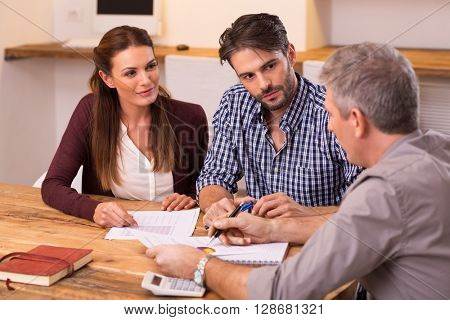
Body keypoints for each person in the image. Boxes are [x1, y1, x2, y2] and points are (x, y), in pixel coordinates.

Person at [147, 42, 450, 299]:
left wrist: (198, 266)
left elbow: (281, 292)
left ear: (356, 120)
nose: (329, 124)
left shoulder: (384, 191)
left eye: (331, 115)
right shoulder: (438, 149)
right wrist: (271, 229)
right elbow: (358, 229)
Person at [197, 13, 361, 227]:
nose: (263, 84)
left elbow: (368, 207)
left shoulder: (333, 110)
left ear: (290, 54)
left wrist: (306, 213)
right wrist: (218, 205)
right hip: (258, 243)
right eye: (248, 76)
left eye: (270, 66)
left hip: (322, 243)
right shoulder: (234, 102)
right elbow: (213, 175)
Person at [42, 26, 208, 227]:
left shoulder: (190, 117)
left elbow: (203, 183)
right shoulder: (89, 112)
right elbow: (53, 185)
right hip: (114, 235)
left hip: (177, 232)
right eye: (131, 73)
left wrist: (192, 197)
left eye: (150, 66)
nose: (146, 80)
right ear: (107, 78)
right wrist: (93, 209)